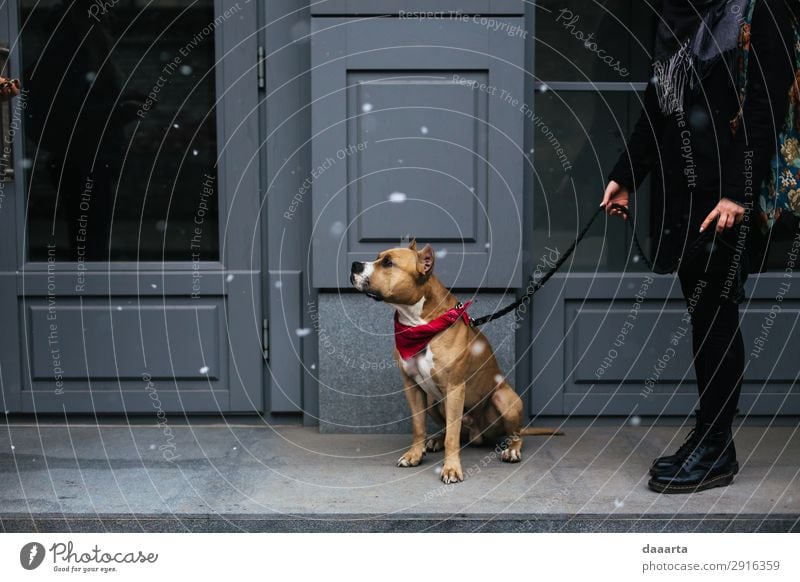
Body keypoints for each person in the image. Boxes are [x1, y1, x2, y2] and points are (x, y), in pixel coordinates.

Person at [600, 0, 797, 493]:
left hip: (728, 199)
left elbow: (766, 105)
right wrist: (627, 174)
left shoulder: (759, 10)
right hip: (687, 197)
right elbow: (659, 103)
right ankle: (713, 438)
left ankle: (715, 448)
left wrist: (737, 192)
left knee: (716, 315)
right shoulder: (683, 19)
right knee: (704, 314)